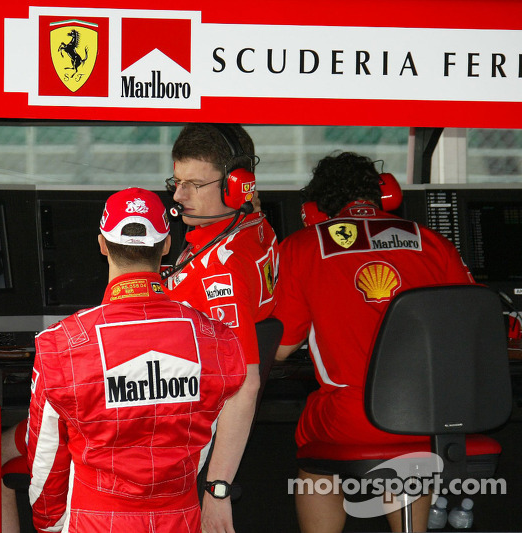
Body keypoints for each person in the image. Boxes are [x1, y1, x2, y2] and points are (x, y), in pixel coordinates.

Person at [271, 152, 475, 533]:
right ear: (385, 195)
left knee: (312, 450)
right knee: (408, 451)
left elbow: (281, 347)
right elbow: (471, 330)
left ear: (315, 208)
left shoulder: (301, 247)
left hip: (352, 415)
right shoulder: (433, 242)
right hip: (430, 415)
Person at [26, 187, 247, 532]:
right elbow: (217, 423)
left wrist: (49, 522)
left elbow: (46, 455)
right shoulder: (218, 339)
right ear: (166, 246)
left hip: (94, 519)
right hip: (183, 516)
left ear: (102, 244)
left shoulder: (60, 344)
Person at [162, 123, 278, 533]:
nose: (178, 196)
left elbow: (244, 384)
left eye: (193, 185)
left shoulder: (221, 270)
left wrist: (217, 489)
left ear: (235, 187)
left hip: (181, 439)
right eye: (176, 182)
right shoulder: (254, 228)